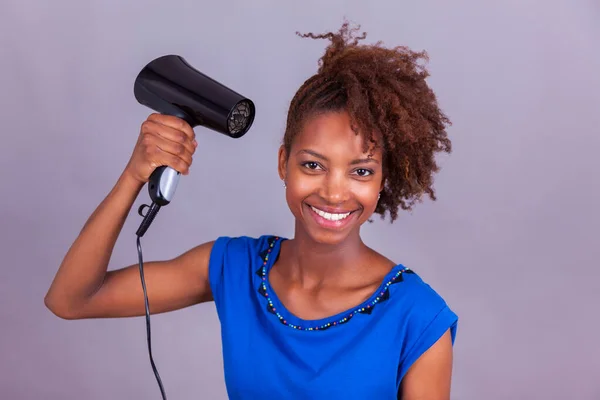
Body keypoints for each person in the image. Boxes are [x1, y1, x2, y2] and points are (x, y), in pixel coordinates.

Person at [45, 22, 458, 400]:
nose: (334, 193)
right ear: (283, 163)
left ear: (383, 179)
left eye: (361, 171)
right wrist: (134, 174)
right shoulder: (235, 268)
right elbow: (72, 299)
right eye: (312, 165)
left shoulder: (417, 317)